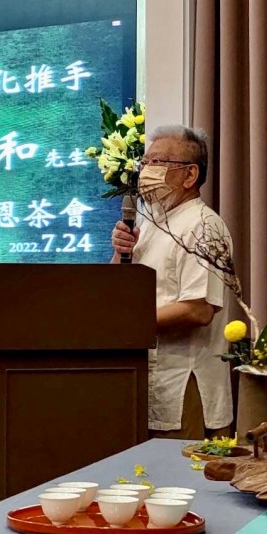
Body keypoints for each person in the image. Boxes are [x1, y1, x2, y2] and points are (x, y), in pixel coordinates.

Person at [111, 124, 233, 439]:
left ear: (190, 175)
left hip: (185, 383)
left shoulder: (204, 226)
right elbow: (119, 292)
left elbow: (198, 310)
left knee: (181, 469)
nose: (146, 172)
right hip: (145, 376)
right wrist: (120, 253)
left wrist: (125, 325)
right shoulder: (150, 222)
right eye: (145, 163)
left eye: (157, 163)